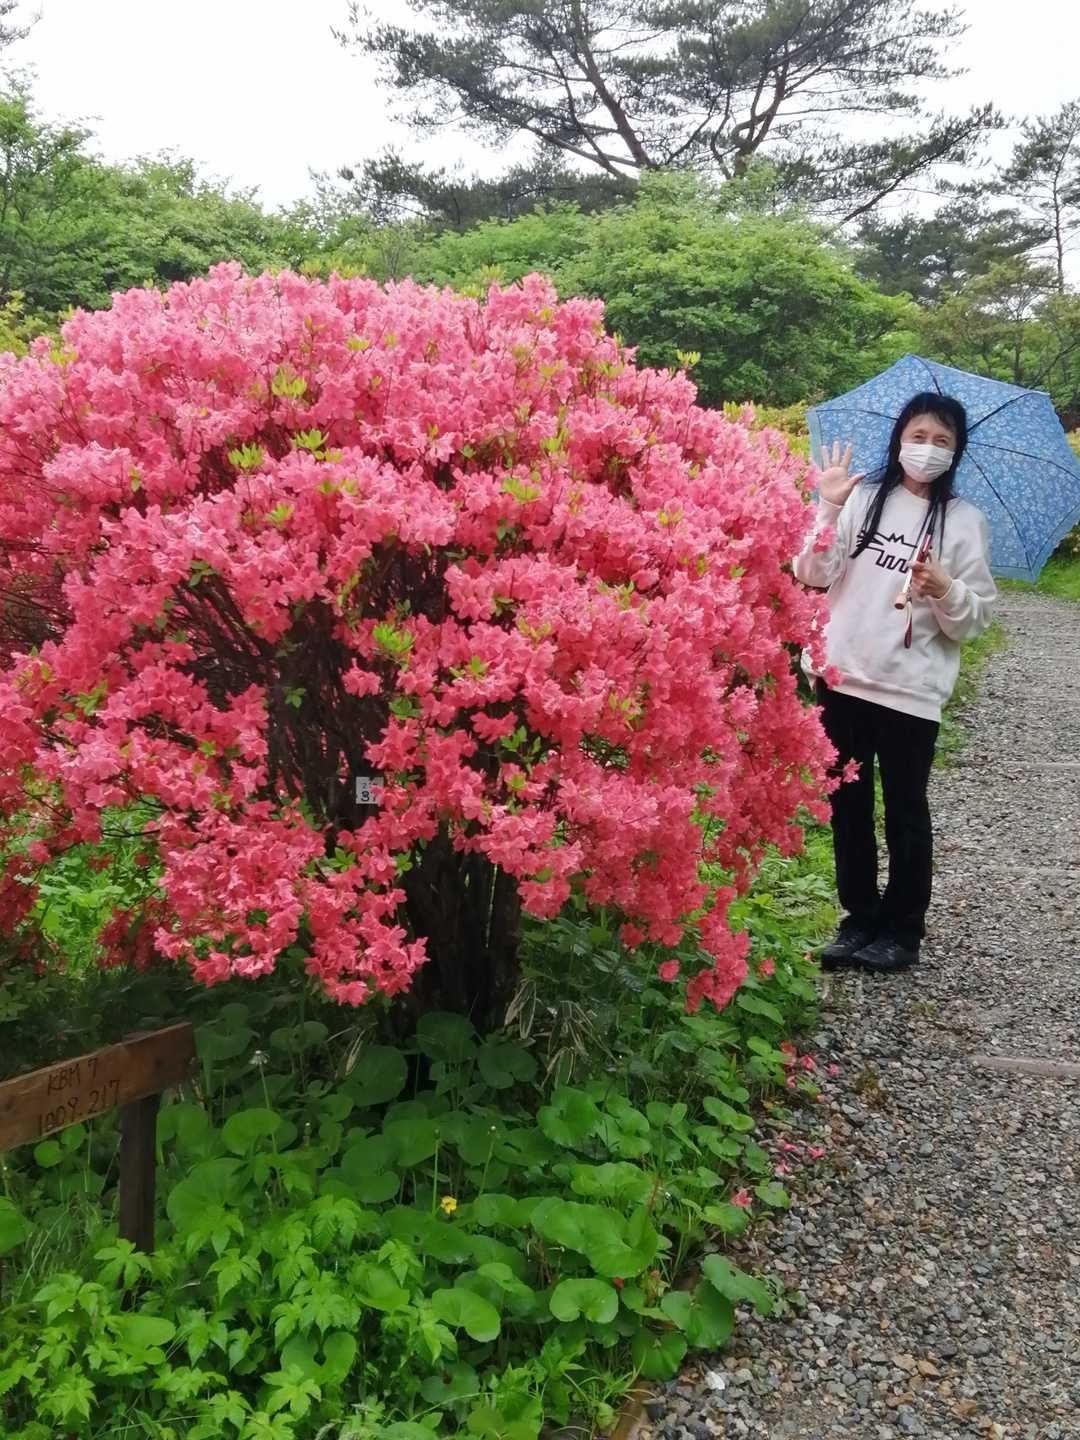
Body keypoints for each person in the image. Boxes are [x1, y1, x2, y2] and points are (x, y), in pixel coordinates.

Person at [793, 393, 997, 975]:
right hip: (843, 678)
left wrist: (945, 588)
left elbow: (974, 620)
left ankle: (902, 931)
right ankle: (859, 918)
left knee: (907, 811)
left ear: (956, 451)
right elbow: (811, 573)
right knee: (848, 806)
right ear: (899, 438)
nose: (927, 449)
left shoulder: (964, 522)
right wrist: (828, 508)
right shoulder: (861, 498)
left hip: (910, 692)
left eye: (942, 440)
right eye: (919, 435)